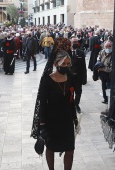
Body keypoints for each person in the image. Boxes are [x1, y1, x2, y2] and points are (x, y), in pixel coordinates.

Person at [31, 38, 78, 170]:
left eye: (68, 63)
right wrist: (42, 125)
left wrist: (74, 118)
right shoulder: (47, 80)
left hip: (66, 120)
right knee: (51, 148)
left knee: (70, 150)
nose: (67, 66)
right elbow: (42, 104)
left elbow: (71, 100)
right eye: (64, 64)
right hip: (51, 120)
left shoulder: (70, 78)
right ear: (56, 63)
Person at [71, 37, 87, 113]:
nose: (75, 43)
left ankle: (76, 104)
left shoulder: (81, 52)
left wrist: (84, 78)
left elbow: (83, 66)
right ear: (71, 43)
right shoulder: (67, 52)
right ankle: (70, 105)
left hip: (78, 77)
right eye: (73, 42)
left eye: (76, 42)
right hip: (69, 77)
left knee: (78, 92)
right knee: (70, 92)